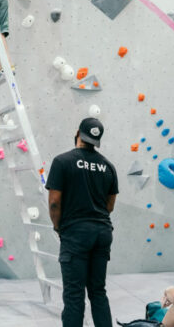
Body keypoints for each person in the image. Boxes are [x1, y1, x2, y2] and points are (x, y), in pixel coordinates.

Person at [46, 117, 118, 327]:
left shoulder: (62, 161)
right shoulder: (108, 166)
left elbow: (54, 203)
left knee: (74, 295)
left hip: (76, 233)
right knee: (98, 291)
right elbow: (110, 205)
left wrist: (59, 226)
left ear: (77, 133)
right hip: (103, 232)